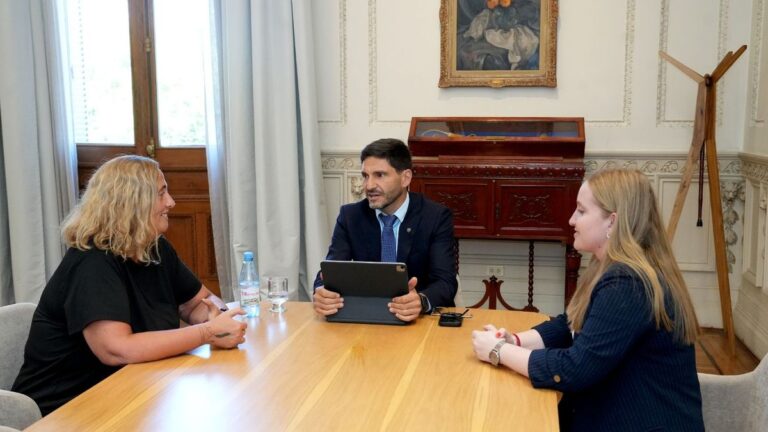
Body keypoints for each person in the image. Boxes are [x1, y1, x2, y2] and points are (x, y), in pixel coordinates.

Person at [471, 169, 705, 431]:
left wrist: (498, 352)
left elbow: (576, 369)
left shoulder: (628, 283)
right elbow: (570, 325)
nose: (572, 220)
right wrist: (513, 340)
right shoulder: (614, 267)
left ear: (612, 222)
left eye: (581, 211)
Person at [12, 155, 246, 416]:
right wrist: (207, 332)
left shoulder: (154, 248)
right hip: (64, 412)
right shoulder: (92, 262)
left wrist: (217, 315)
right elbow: (116, 350)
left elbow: (196, 303)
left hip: (130, 393)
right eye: (161, 194)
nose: (171, 202)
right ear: (132, 204)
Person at [313, 138, 457, 322]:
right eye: (365, 175)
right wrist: (321, 290)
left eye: (379, 175)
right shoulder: (350, 216)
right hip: (365, 318)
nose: (369, 185)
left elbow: (445, 281)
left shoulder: (435, 217)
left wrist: (420, 301)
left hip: (418, 323)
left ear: (405, 178)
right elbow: (330, 270)